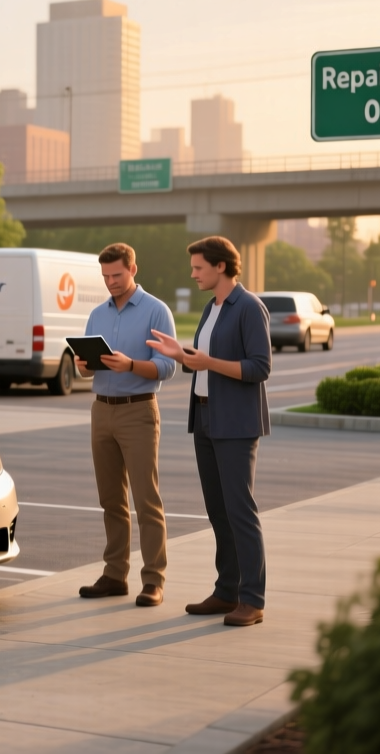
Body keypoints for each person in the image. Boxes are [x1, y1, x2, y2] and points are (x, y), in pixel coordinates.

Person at [146, 236, 272, 627]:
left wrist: (208, 361)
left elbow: (259, 367)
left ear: (221, 266)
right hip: (205, 418)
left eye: (199, 267)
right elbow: (202, 361)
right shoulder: (211, 307)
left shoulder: (249, 307)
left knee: (240, 511)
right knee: (218, 511)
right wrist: (180, 355)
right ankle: (226, 591)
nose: (193, 273)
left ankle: (252, 599)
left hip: (235, 422)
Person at [74, 243, 178, 607]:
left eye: (117, 275)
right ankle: (115, 574)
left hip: (138, 410)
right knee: (110, 500)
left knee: (146, 499)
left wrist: (130, 365)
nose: (111, 282)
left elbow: (167, 367)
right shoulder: (97, 314)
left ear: (134, 268)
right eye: (105, 277)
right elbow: (86, 365)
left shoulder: (156, 311)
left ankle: (153, 580)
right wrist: (84, 365)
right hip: (101, 409)